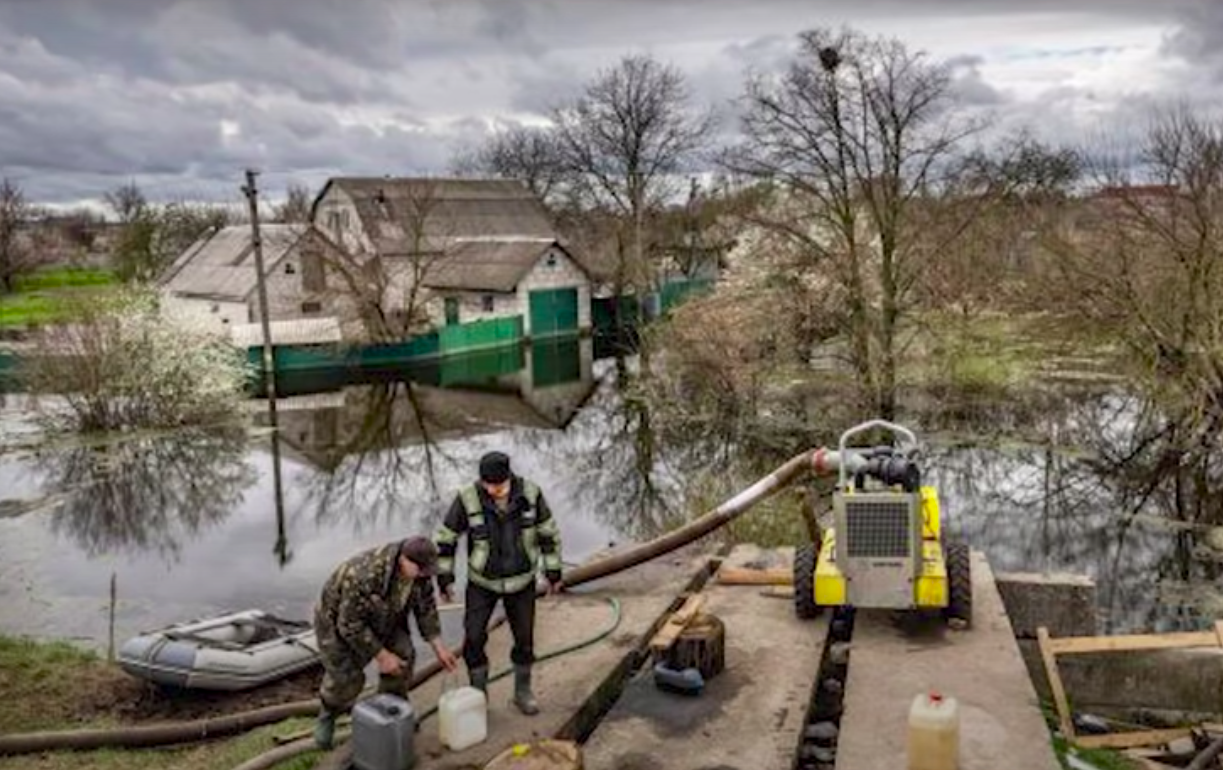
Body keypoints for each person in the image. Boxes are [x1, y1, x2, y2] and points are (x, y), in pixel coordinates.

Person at [435, 451, 563, 716]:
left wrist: (553, 573)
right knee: (473, 638)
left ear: (509, 478)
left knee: (525, 640)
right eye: (488, 485)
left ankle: (522, 692)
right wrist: (444, 579)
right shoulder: (467, 498)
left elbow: (548, 534)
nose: (493, 491)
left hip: (521, 583)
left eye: (499, 486)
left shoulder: (530, 494)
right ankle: (479, 696)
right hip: (482, 582)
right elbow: (446, 539)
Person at [312, 536, 459, 749]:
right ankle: (328, 713)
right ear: (403, 560)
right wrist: (382, 656)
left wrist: (439, 648)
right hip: (336, 623)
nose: (425, 575)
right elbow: (350, 625)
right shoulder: (364, 574)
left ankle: (392, 708)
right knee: (346, 677)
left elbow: (425, 609)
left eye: (428, 570)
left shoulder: (420, 573)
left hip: (385, 615)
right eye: (421, 570)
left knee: (404, 655)